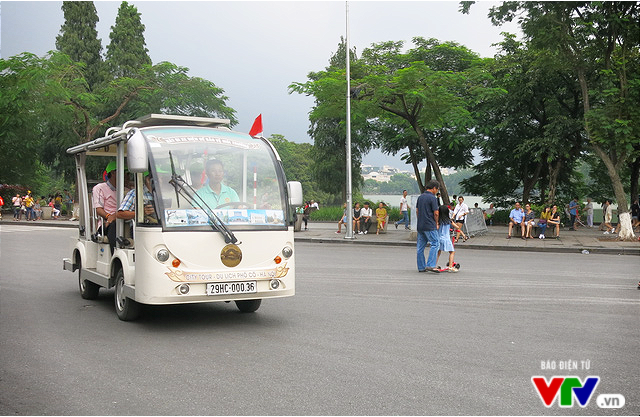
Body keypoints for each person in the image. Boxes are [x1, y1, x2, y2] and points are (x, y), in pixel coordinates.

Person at [92, 161, 119, 253]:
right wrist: (109, 217)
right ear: (113, 173)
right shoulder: (100, 188)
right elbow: (99, 210)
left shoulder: (127, 190)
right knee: (114, 226)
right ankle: (115, 256)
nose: (127, 176)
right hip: (106, 223)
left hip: (123, 219)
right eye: (126, 173)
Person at [416, 180, 441, 273]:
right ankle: (430, 265)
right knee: (435, 243)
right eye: (437, 189)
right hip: (430, 225)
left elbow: (417, 211)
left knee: (420, 247)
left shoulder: (420, 197)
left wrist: (420, 220)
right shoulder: (432, 198)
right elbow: (436, 213)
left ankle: (421, 267)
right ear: (434, 188)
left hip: (420, 225)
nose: (437, 191)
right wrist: (437, 223)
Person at [435, 204, 458, 272]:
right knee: (452, 252)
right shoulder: (449, 221)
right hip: (446, 239)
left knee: (438, 252)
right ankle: (450, 266)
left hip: (439, 238)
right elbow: (457, 227)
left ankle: (433, 265)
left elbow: (437, 228)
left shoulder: (438, 221)